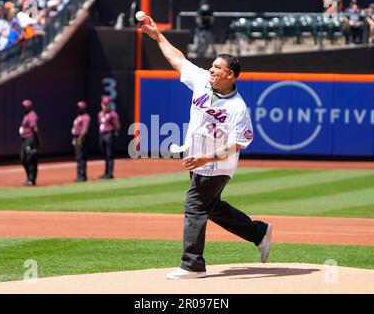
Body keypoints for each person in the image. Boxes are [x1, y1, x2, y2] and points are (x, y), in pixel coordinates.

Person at [140, 16, 273, 279]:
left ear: (230, 75)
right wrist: (159, 37)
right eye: (211, 65)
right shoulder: (201, 80)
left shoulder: (238, 108)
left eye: (217, 67)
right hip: (198, 159)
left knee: (195, 205)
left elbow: (237, 144)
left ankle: (192, 264)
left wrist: (205, 158)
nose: (211, 70)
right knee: (211, 207)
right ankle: (258, 232)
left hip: (218, 164)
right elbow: (177, 60)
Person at [19, 99, 43, 186]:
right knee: (23, 159)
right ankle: (29, 177)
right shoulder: (26, 115)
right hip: (24, 139)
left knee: (31, 159)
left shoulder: (32, 115)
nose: (23, 108)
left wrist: (39, 140)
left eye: (25, 106)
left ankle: (32, 179)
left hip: (30, 139)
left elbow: (35, 129)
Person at [97, 96, 120, 179]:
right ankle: (106, 172)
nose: (105, 106)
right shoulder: (100, 114)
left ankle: (109, 173)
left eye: (107, 104)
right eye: (104, 104)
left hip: (109, 134)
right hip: (102, 135)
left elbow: (117, 125)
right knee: (104, 154)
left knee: (109, 154)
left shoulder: (113, 114)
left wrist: (114, 133)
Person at [72, 100, 90, 182]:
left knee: (82, 157)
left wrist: (80, 138)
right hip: (76, 138)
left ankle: (82, 176)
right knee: (78, 157)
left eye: (80, 107)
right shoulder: (78, 116)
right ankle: (79, 175)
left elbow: (85, 129)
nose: (78, 109)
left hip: (81, 139)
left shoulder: (86, 117)